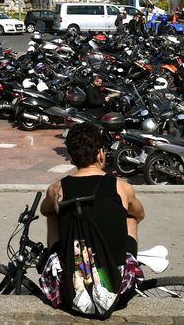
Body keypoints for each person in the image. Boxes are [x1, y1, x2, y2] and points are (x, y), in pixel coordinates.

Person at [38, 123, 145, 311]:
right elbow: (140, 214)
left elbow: (44, 210)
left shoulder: (57, 188)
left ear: (72, 157)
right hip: (117, 286)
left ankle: (58, 259)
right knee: (129, 215)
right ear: (101, 153)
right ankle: (122, 262)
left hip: (73, 284)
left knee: (52, 215)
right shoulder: (121, 187)